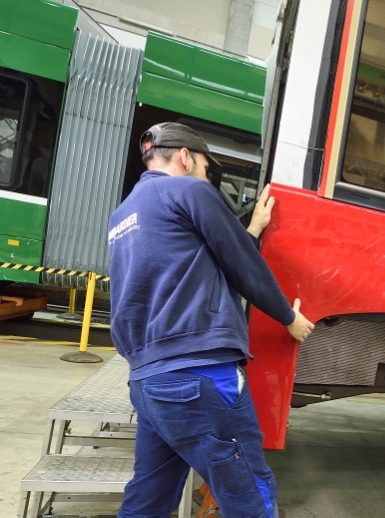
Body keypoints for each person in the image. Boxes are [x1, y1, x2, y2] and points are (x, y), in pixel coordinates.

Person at [108, 122, 315, 518]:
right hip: (198, 374)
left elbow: (194, 262)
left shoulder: (123, 215)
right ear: (186, 157)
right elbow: (240, 264)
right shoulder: (189, 190)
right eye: (206, 166)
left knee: (148, 500)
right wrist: (288, 316)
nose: (207, 175)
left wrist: (252, 229)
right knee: (248, 495)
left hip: (148, 382)